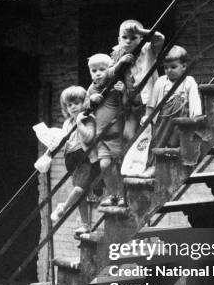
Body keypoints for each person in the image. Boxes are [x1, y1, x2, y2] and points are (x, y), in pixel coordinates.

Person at [141, 45, 202, 176]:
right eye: (166, 67)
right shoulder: (161, 82)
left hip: (179, 119)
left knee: (175, 143)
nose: (169, 70)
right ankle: (153, 166)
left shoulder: (189, 81)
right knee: (157, 140)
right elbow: (152, 102)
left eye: (173, 67)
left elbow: (194, 99)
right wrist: (147, 116)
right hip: (163, 118)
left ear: (184, 66)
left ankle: (173, 168)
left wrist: (195, 116)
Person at [85, 52, 133, 207]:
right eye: (94, 71)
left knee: (119, 165)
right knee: (104, 166)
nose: (98, 73)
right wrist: (91, 100)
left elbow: (126, 107)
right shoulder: (92, 90)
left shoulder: (114, 84)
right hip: (101, 137)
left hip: (115, 134)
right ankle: (113, 194)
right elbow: (85, 107)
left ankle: (123, 196)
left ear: (109, 69)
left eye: (102, 69)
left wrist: (124, 92)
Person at [50, 86, 98, 237]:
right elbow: (63, 139)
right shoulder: (66, 123)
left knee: (79, 190)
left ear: (84, 102)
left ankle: (63, 207)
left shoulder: (88, 118)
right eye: (69, 105)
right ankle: (85, 224)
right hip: (71, 159)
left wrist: (79, 122)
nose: (72, 107)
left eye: (76, 103)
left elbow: (89, 138)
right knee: (81, 195)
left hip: (85, 158)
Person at [111, 20, 164, 142]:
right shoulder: (117, 53)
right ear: (119, 40)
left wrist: (140, 31)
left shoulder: (148, 50)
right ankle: (134, 160)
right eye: (124, 37)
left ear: (140, 39)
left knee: (149, 133)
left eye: (133, 37)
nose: (128, 41)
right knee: (128, 135)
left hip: (148, 101)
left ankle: (148, 159)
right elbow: (109, 73)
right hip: (130, 101)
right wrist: (120, 63)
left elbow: (160, 38)